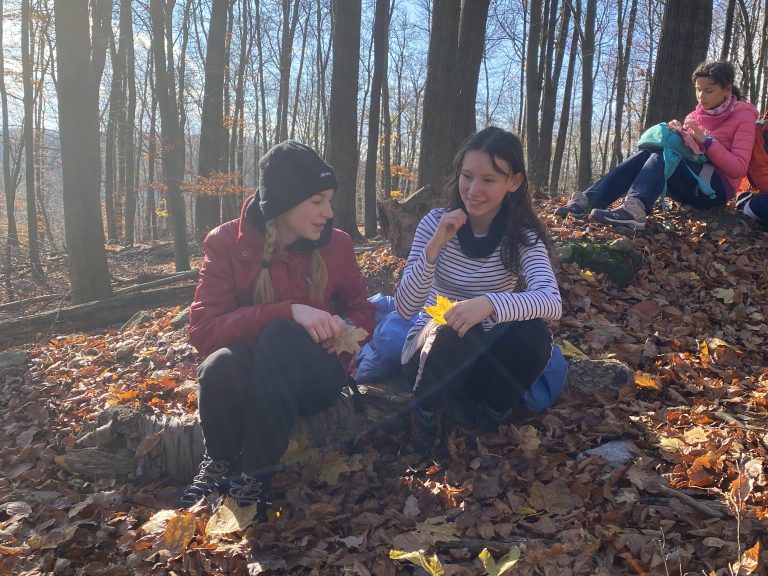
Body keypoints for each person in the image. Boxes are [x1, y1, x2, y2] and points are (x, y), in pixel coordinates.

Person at [179, 140, 375, 523]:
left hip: (314, 376)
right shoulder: (227, 243)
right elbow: (203, 330)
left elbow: (362, 308)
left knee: (283, 338)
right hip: (254, 375)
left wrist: (345, 335)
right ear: (285, 201)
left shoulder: (338, 244)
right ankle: (220, 461)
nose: (328, 212)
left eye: (329, 200)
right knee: (220, 365)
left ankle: (255, 473)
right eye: (317, 201)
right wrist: (286, 311)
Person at [394, 127, 562, 459]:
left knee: (534, 331)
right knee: (457, 329)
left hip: (485, 360)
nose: (473, 190)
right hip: (432, 356)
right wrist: (435, 247)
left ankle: (490, 416)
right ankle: (424, 421)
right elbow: (404, 306)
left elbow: (551, 301)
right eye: (467, 176)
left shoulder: (522, 235)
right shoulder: (434, 223)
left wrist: (487, 303)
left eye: (488, 180)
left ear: (513, 182)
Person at [555, 60, 758, 230]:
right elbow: (687, 154)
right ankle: (590, 201)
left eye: (708, 91)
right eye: (698, 90)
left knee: (665, 155)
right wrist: (679, 136)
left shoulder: (743, 116)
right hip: (687, 181)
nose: (701, 97)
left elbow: (738, 168)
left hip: (715, 189)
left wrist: (706, 141)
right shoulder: (694, 116)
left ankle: (635, 210)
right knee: (649, 151)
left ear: (727, 90)